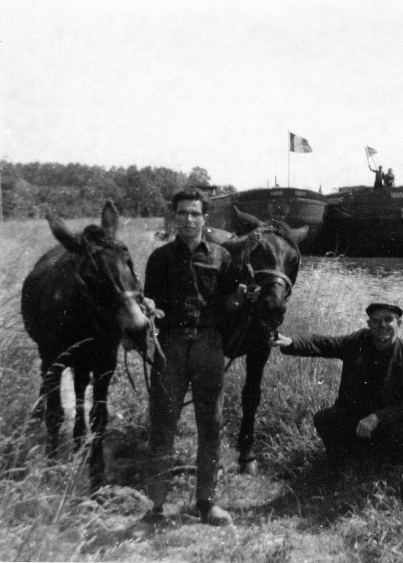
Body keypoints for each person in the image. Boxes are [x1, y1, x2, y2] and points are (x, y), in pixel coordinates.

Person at [141, 189, 249, 527]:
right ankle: (155, 506)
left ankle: (207, 504)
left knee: (211, 426)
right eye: (183, 213)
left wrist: (241, 298)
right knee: (163, 426)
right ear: (174, 217)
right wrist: (150, 308)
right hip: (170, 346)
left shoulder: (222, 257)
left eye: (195, 214)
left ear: (205, 218)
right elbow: (151, 302)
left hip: (208, 346)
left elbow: (229, 306)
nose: (189, 219)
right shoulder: (159, 258)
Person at [271, 303, 403, 471]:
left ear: (398, 323)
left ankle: (384, 465)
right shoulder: (358, 341)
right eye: (376, 320)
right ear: (369, 324)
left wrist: (377, 417)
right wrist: (291, 342)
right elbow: (323, 344)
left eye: (388, 319)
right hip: (359, 416)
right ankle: (341, 465)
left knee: (399, 434)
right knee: (325, 419)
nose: (382, 325)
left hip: (387, 422)